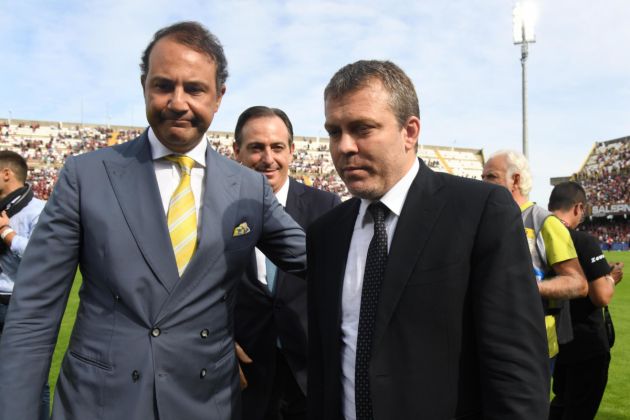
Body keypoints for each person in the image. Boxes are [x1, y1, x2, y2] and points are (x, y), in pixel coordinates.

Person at [0, 21, 306, 420]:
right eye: (164, 85)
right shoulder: (85, 175)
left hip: (206, 403)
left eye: (194, 88)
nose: (178, 102)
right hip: (102, 404)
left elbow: (321, 258)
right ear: (144, 85)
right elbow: (34, 313)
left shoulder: (248, 188)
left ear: (218, 97)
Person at [307, 60, 549, 420]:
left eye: (361, 129)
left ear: (410, 131)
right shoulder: (325, 233)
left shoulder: (481, 211)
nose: (344, 146)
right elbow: (327, 364)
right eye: (334, 131)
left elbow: (516, 370)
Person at [232, 106, 340, 420]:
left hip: (309, 372)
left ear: (292, 151)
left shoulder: (327, 206)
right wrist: (219, 343)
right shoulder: (216, 211)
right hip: (244, 372)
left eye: (277, 147)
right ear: (236, 151)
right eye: (256, 148)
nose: (268, 158)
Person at [482, 151, 588, 368]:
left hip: (531, 345)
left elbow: (578, 283)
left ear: (516, 180)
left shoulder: (544, 222)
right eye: (482, 177)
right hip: (488, 340)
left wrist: (531, 287)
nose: (483, 183)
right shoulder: (484, 220)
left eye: (491, 177)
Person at [547, 181, 624, 420]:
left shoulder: (538, 238)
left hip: (556, 341)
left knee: (559, 404)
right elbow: (601, 296)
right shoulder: (583, 241)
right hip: (586, 344)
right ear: (579, 208)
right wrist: (611, 278)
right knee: (578, 411)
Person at [0, 151, 49, 420]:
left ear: (7, 174)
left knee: (32, 379)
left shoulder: (39, 210)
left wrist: (7, 234)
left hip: (21, 306)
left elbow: (43, 256)